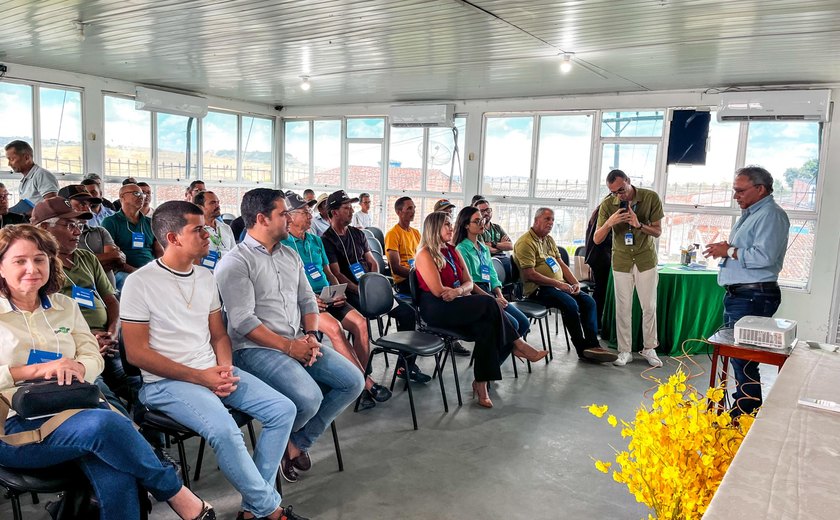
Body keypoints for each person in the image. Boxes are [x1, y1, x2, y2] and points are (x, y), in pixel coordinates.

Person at [0, 224, 214, 520]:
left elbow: (92, 356)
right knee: (108, 427)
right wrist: (35, 370)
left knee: (116, 468)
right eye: (19, 261)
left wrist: (80, 366)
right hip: (13, 428)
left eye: (40, 259)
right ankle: (176, 493)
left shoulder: (64, 305)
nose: (32, 268)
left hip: (74, 412)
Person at [121, 201, 306, 520]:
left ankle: (253, 508)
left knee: (282, 409)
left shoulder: (205, 277)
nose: (209, 234)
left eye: (207, 227)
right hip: (165, 383)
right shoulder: (140, 282)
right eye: (198, 229)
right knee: (225, 431)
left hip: (212, 372)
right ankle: (270, 510)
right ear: (173, 238)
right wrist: (202, 377)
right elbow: (137, 354)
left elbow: (220, 335)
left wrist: (223, 368)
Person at [215, 189, 364, 485]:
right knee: (308, 398)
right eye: (283, 214)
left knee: (353, 381)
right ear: (261, 219)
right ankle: (283, 445)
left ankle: (295, 442)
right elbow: (243, 322)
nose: (289, 219)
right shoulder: (236, 263)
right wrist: (289, 347)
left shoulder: (289, 255)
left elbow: (307, 301)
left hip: (298, 338)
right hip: (255, 348)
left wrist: (310, 336)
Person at [415, 212, 547, 409]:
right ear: (434, 229)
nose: (452, 228)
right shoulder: (425, 254)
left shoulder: (452, 251)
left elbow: (468, 282)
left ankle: (481, 384)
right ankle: (518, 343)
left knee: (487, 326)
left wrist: (459, 290)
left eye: (451, 224)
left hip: (457, 301)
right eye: (447, 225)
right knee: (489, 303)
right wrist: (460, 291)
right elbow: (439, 291)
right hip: (436, 308)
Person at [280, 191, 391, 410]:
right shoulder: (285, 245)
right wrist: (312, 299)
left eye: (310, 210)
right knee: (335, 328)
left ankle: (359, 377)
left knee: (360, 323)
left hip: (328, 296)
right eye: (304, 211)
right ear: (289, 216)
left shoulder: (314, 240)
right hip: (306, 302)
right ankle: (365, 383)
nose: (310, 214)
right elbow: (286, 285)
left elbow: (328, 271)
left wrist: (336, 291)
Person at [31, 197, 137, 416]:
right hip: (71, 350)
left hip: (109, 344)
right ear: (44, 229)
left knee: (143, 389)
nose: (78, 232)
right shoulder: (36, 270)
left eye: (79, 226)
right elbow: (43, 321)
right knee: (107, 402)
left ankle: (152, 445)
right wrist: (90, 339)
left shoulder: (86, 257)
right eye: (70, 225)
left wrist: (112, 332)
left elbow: (111, 300)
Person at [703, 166, 789, 417]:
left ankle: (746, 411)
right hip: (742, 295)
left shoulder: (770, 215)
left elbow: (764, 256)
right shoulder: (753, 213)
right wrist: (727, 248)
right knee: (740, 357)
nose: (735, 196)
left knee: (743, 357)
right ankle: (745, 406)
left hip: (754, 296)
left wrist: (728, 251)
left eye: (740, 190)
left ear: (760, 189)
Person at [320, 190, 428, 383]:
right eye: (346, 208)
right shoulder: (326, 240)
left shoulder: (358, 234)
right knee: (360, 322)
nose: (351, 211)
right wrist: (359, 289)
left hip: (369, 288)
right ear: (334, 212)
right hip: (351, 291)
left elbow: (372, 261)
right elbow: (336, 273)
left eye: (351, 207)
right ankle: (364, 375)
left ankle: (406, 367)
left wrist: (375, 282)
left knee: (407, 313)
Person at [514, 208, 618, 364]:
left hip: (558, 286)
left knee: (588, 301)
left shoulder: (548, 240)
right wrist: (558, 284)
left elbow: (561, 264)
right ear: (536, 220)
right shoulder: (525, 242)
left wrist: (575, 282)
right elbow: (530, 274)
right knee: (569, 304)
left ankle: (593, 346)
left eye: (553, 220)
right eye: (547, 219)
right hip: (537, 290)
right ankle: (581, 348)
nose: (551, 223)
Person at [594, 169, 664, 368]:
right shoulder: (608, 205)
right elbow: (597, 239)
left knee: (649, 306)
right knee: (623, 307)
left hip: (645, 259)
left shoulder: (650, 197)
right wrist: (609, 222)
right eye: (614, 192)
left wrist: (639, 224)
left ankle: (649, 347)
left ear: (628, 181)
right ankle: (625, 351)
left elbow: (658, 231)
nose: (619, 195)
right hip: (622, 260)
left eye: (621, 190)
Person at [453, 206, 530, 337]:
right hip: (474, 293)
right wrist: (491, 299)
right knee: (512, 325)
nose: (482, 223)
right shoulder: (461, 249)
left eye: (482, 220)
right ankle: (493, 356)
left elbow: (492, 275)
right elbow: (468, 281)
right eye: (476, 221)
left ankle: (496, 356)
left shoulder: (483, 248)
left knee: (523, 323)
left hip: (489, 291)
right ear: (466, 225)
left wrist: (499, 295)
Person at [61, 185, 125, 289]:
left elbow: (116, 259)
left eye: (89, 205)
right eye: (81, 204)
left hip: (108, 294)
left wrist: (81, 264)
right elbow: (64, 263)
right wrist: (102, 260)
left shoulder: (100, 232)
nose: (88, 209)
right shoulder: (59, 235)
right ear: (64, 205)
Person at [102, 184, 164, 288]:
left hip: (150, 270)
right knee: (133, 283)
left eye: (142, 194)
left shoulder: (150, 222)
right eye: (136, 193)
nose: (141, 196)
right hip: (123, 271)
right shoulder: (110, 222)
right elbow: (112, 258)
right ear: (122, 196)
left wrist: (162, 269)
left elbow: (159, 251)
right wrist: (136, 271)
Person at [5, 140, 59, 215]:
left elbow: (52, 205)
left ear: (27, 158)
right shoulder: (23, 181)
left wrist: (25, 214)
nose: (9, 164)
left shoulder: (42, 175)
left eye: (12, 159)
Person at [584, 204, 612, 335]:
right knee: (601, 292)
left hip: (597, 257)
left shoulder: (598, 212)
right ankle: (596, 324)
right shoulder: (606, 214)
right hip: (601, 258)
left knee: (600, 291)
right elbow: (602, 239)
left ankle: (596, 323)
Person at [384, 196, 420, 295]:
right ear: (398, 212)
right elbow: (396, 268)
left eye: (414, 208)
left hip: (417, 275)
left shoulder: (416, 233)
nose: (413, 211)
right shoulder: (393, 234)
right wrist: (418, 276)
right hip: (404, 281)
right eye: (409, 208)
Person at [474, 198, 513, 281]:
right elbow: (486, 249)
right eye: (482, 211)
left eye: (488, 210)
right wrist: (501, 246)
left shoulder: (497, 228)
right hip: (487, 261)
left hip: (502, 258)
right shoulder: (477, 230)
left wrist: (494, 244)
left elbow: (510, 246)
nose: (486, 213)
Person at [193, 190, 236, 263]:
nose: (218, 206)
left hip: (227, 270)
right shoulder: (195, 230)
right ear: (200, 207)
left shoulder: (226, 228)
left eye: (218, 202)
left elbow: (234, 253)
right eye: (212, 203)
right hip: (206, 271)